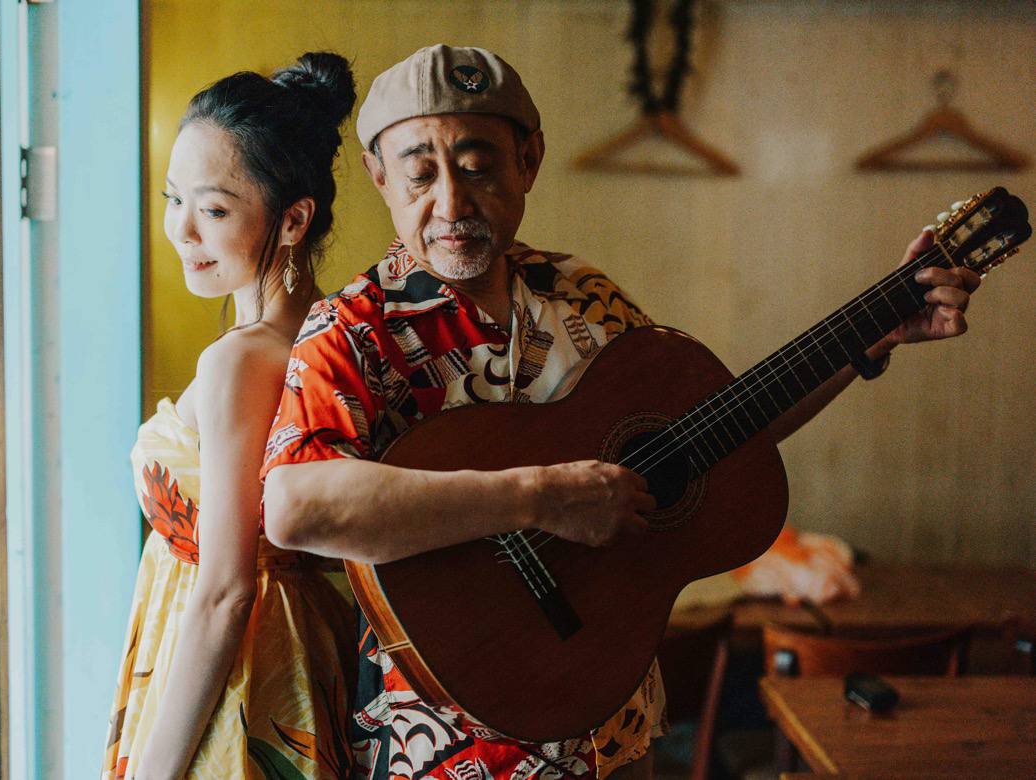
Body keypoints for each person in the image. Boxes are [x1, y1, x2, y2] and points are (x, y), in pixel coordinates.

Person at [259, 44, 979, 779]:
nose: (451, 204)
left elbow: (709, 436)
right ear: (380, 177)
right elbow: (295, 505)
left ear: (529, 161)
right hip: (446, 751)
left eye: (477, 166)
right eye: (420, 174)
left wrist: (869, 341)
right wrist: (539, 498)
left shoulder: (580, 292)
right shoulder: (352, 330)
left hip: (617, 732)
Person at [102, 53, 359, 780]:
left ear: (293, 219)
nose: (182, 230)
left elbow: (224, 593)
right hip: (297, 660)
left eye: (213, 210)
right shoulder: (331, 334)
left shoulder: (240, 362)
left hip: (239, 680)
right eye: (173, 198)